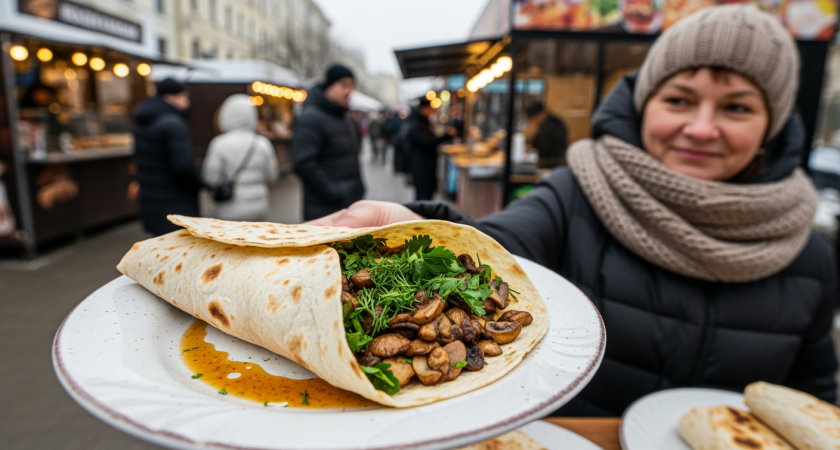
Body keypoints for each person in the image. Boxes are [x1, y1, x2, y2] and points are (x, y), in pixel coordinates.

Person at [309, 5, 838, 416]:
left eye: (736, 107)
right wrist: (416, 222)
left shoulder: (807, 253)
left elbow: (813, 398)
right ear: (643, 103)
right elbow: (491, 252)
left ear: (771, 126)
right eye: (679, 99)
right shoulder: (575, 195)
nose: (701, 127)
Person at [133, 78, 205, 236]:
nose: (187, 103)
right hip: (177, 204)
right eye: (183, 97)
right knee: (181, 254)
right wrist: (201, 182)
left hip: (152, 203)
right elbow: (183, 166)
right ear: (170, 97)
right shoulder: (174, 123)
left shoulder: (143, 122)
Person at [292, 64, 364, 221]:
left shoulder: (346, 118)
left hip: (349, 206)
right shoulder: (310, 118)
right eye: (344, 85)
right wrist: (335, 192)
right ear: (329, 86)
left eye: (351, 86)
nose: (349, 91)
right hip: (324, 210)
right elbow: (303, 164)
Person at [202, 94, 279, 221]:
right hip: (258, 206)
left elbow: (211, 179)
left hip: (228, 208)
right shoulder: (263, 143)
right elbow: (272, 176)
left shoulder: (219, 144)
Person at [405, 98, 457, 201]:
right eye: (430, 109)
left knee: (426, 195)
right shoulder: (416, 125)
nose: (432, 112)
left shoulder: (422, 123)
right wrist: (447, 136)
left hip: (425, 167)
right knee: (423, 197)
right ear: (424, 109)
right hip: (421, 168)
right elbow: (428, 142)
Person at [525, 101, 568, 167]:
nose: (532, 122)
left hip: (550, 163)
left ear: (537, 116)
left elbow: (541, 147)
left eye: (531, 120)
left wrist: (530, 138)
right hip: (554, 162)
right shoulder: (553, 121)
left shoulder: (550, 126)